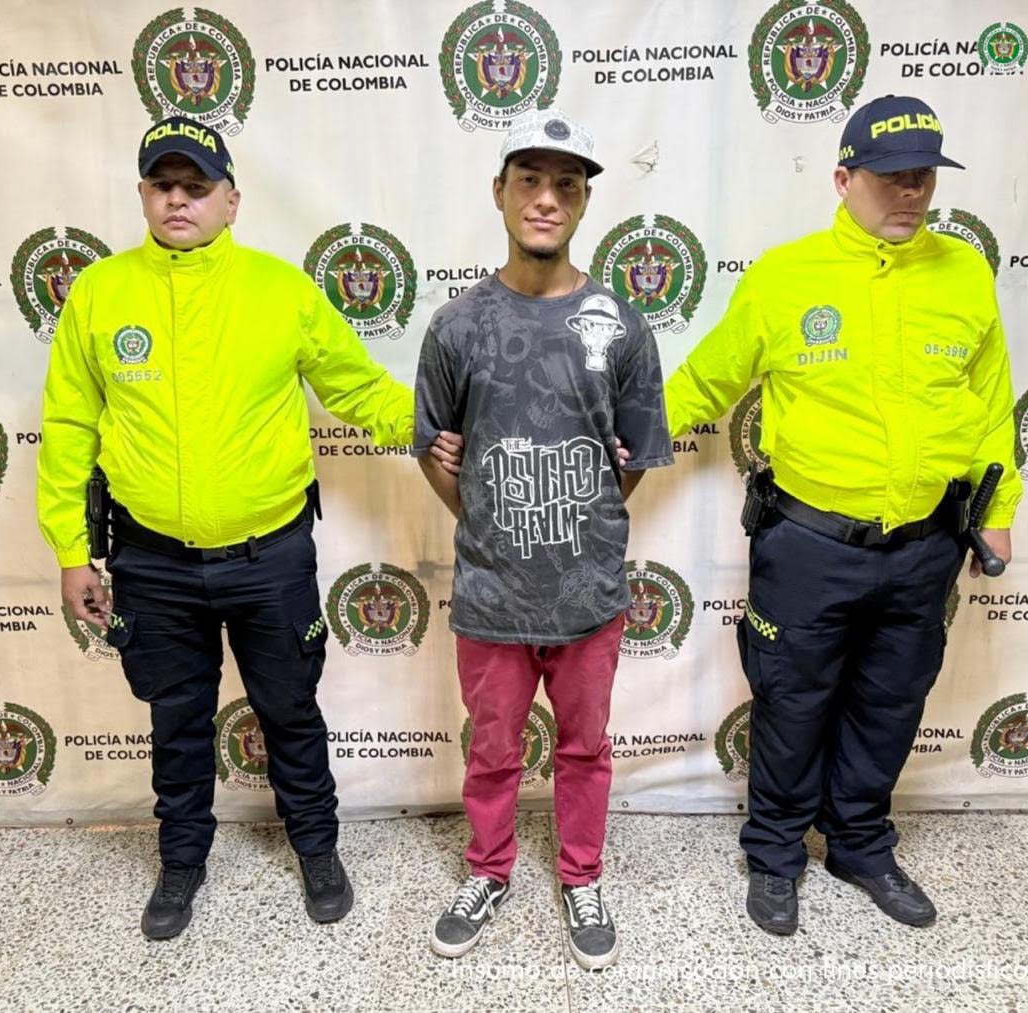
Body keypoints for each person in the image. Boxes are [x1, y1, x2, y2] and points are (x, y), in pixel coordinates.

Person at [36, 115, 416, 940]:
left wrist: (441, 423)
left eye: (196, 186)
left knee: (290, 710)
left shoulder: (281, 290)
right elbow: (68, 426)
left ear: (231, 200)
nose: (178, 200)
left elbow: (360, 390)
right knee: (175, 720)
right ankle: (181, 862)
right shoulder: (101, 293)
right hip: (152, 562)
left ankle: (317, 847)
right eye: (163, 185)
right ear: (142, 193)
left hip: (269, 556)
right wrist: (73, 551)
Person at [661, 95, 1022, 934]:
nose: (911, 192)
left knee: (891, 701)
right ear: (842, 177)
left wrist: (997, 507)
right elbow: (706, 382)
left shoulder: (963, 271)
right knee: (792, 702)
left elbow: (992, 400)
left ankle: (859, 842)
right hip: (809, 545)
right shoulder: (786, 277)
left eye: (923, 176)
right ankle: (777, 851)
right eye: (892, 176)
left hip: (926, 543)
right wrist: (626, 436)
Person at [413, 109, 672, 969]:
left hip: (589, 591)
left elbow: (633, 455)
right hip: (491, 594)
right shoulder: (455, 326)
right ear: (500, 191)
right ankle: (487, 869)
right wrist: (492, 521)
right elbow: (434, 450)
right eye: (530, 178)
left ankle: (581, 874)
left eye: (567, 183)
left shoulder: (622, 323)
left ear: (585, 201)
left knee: (584, 747)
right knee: (490, 747)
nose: (547, 198)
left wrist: (580, 516)